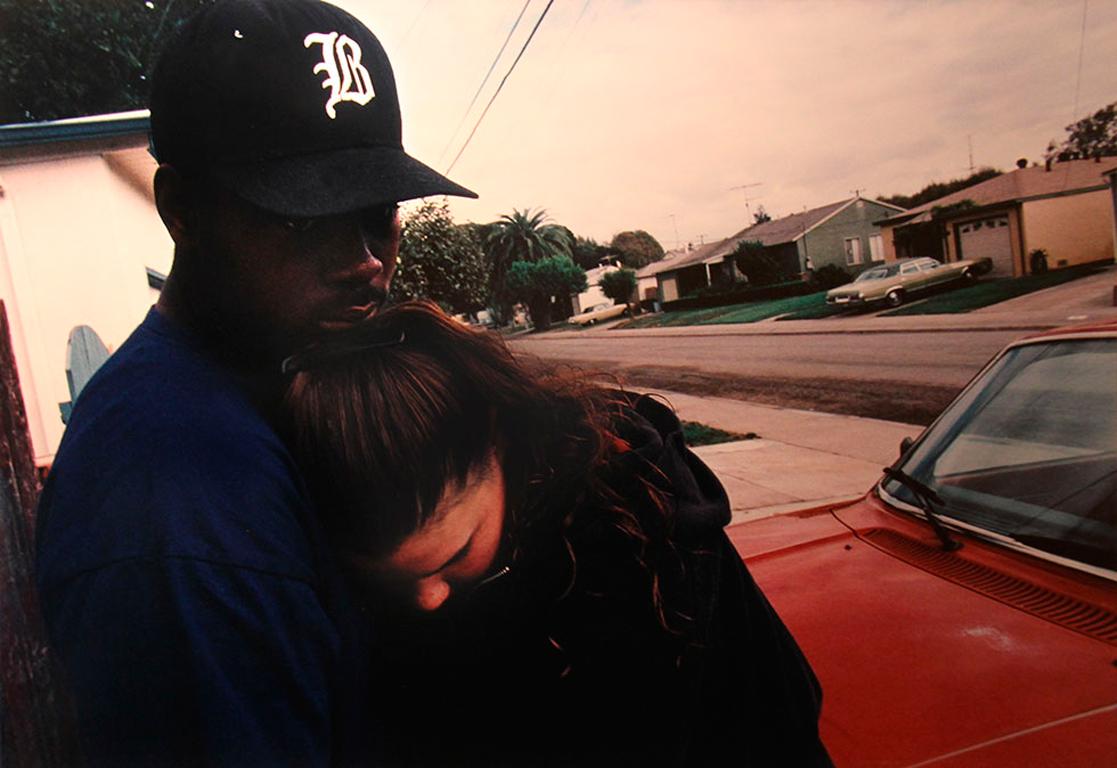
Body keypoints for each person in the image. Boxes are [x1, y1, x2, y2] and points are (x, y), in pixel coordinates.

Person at [34, 1, 475, 765]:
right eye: (303, 218)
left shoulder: (283, 385)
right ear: (182, 211)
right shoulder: (174, 497)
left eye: (377, 213)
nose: (365, 259)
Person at [283, 301, 833, 767]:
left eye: (454, 556)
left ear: (497, 442)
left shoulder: (637, 546)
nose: (427, 600)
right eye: (388, 585)